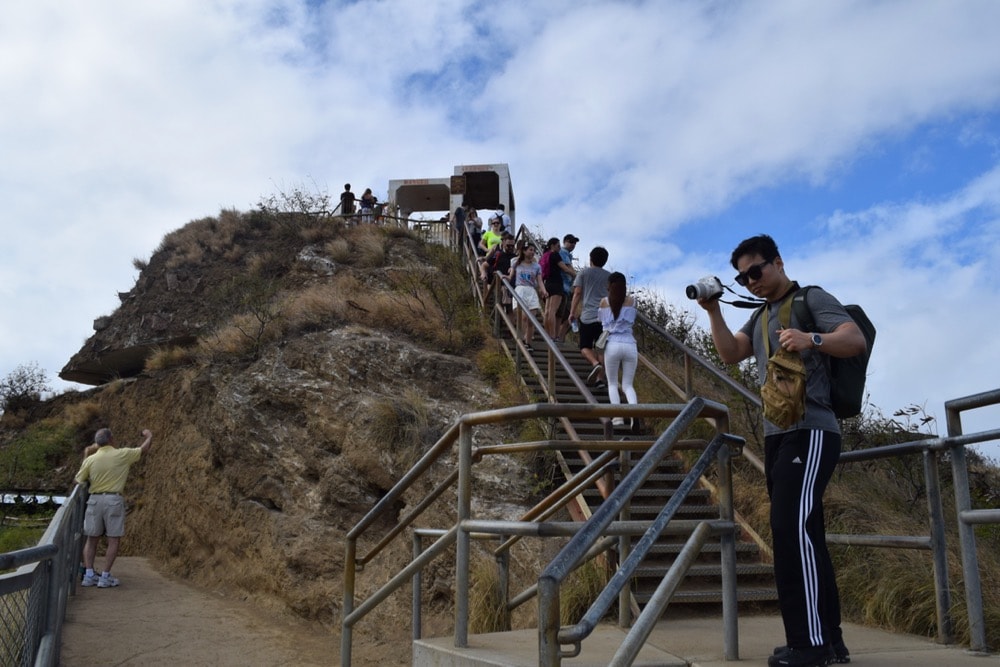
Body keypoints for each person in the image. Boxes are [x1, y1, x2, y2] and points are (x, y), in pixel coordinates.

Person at [697, 234, 864, 667]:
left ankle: (809, 645)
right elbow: (731, 353)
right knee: (806, 534)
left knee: (790, 529)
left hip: (811, 431)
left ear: (778, 262)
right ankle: (827, 641)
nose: (750, 280)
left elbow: (853, 338)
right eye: (742, 275)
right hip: (778, 436)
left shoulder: (811, 299)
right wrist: (713, 309)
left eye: (757, 270)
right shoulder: (762, 315)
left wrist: (813, 339)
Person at [75, 427, 154, 588]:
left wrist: (86, 455)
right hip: (113, 499)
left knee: (91, 539)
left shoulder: (90, 460)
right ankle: (105, 576)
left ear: (97, 443)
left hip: (94, 500)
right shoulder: (121, 454)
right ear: (111, 440)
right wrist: (149, 435)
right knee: (113, 539)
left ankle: (89, 575)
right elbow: (144, 449)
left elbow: (78, 480)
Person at [599, 272, 638, 430]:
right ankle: (635, 414)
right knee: (628, 385)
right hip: (630, 344)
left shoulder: (604, 302)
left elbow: (602, 324)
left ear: (609, 285)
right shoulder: (632, 301)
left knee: (612, 383)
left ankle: (618, 417)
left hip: (612, 344)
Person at [569, 246, 611, 388]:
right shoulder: (610, 277)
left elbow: (577, 293)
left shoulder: (584, 273)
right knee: (601, 348)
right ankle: (600, 379)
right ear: (605, 261)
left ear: (590, 258)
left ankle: (595, 363)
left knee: (584, 347)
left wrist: (572, 312)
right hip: (605, 318)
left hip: (587, 317)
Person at [508, 242, 547, 350]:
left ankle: (528, 342)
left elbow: (540, 281)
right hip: (520, 289)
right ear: (524, 251)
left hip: (531, 291)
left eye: (533, 250)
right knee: (523, 317)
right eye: (530, 250)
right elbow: (511, 274)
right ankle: (523, 338)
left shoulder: (536, 266)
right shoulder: (516, 262)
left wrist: (543, 291)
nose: (532, 252)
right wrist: (507, 277)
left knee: (531, 319)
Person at [555, 234, 579, 341]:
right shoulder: (563, 252)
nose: (573, 244)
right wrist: (579, 279)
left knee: (569, 316)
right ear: (564, 242)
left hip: (566, 289)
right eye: (570, 242)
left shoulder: (568, 254)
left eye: (574, 243)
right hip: (562, 287)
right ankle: (558, 337)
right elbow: (568, 268)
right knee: (566, 315)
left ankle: (560, 337)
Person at [540, 238, 565, 341]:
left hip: (547, 283)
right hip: (556, 283)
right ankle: (553, 336)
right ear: (553, 246)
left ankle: (546, 334)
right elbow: (564, 268)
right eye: (558, 245)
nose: (559, 248)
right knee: (552, 311)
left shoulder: (545, 255)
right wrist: (574, 274)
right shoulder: (555, 255)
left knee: (547, 311)